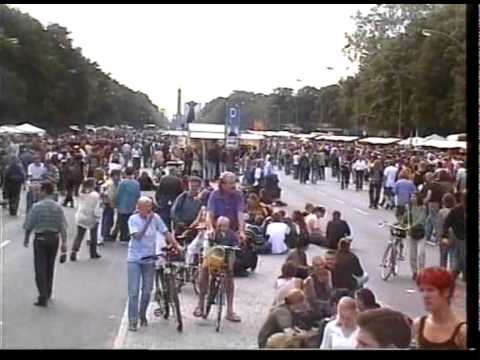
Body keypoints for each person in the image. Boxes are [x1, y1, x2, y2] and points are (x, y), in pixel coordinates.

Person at [127, 197, 180, 331]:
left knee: (147, 291)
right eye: (146, 207)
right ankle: (133, 320)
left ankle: (142, 314)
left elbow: (165, 232)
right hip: (134, 259)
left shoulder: (155, 217)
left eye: (151, 206)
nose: (150, 210)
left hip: (149, 259)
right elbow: (137, 237)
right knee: (134, 291)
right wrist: (147, 222)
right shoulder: (133, 219)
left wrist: (176, 245)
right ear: (139, 208)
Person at [23, 181, 68, 307]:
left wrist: (26, 238)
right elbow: (62, 226)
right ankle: (48, 292)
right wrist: (64, 243)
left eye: (39, 190)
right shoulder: (58, 207)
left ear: (44, 191)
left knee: (40, 267)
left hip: (40, 238)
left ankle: (42, 294)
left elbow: (29, 225)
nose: (37, 193)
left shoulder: (37, 207)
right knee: (50, 266)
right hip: (54, 238)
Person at [194, 216, 242, 322]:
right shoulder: (213, 233)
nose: (223, 227)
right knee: (205, 269)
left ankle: (230, 311)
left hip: (226, 256)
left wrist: (237, 244)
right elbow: (210, 241)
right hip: (214, 256)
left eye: (225, 225)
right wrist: (210, 242)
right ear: (218, 225)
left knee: (229, 275)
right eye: (221, 225)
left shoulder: (231, 234)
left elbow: (236, 242)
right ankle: (200, 305)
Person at [413, 267, 466, 349]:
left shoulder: (462, 331)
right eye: (422, 290)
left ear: (446, 292)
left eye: (430, 290)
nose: (425, 296)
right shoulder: (419, 325)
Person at [70, 178, 102, 261]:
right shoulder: (95, 195)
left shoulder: (81, 193)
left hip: (80, 215)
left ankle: (74, 251)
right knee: (93, 235)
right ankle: (93, 252)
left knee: (79, 235)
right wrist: (98, 216)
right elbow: (96, 208)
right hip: (91, 216)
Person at [441, 191, 465, 281]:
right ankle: (454, 273)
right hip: (459, 236)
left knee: (454, 256)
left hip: (456, 235)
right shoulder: (456, 210)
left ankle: (451, 273)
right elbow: (446, 223)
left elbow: (444, 224)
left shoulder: (453, 210)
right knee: (458, 256)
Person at [304, 256, 334, 320]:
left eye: (321, 265)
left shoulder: (328, 273)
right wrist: (326, 303)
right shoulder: (309, 280)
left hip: (328, 301)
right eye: (317, 265)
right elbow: (312, 299)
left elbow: (330, 290)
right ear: (313, 267)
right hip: (317, 305)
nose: (320, 267)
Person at [116, 167, 141, 244]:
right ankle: (129, 236)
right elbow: (138, 195)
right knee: (130, 221)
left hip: (122, 205)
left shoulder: (122, 183)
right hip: (132, 205)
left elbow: (118, 194)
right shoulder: (136, 183)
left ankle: (123, 237)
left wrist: (117, 203)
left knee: (122, 221)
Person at [155, 166, 184, 231]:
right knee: (175, 217)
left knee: (165, 218)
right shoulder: (178, 180)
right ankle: (174, 232)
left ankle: (167, 232)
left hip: (164, 201)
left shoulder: (163, 179)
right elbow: (180, 191)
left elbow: (159, 190)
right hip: (174, 200)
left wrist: (158, 200)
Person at [408, 192, 427, 281]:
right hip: (412, 233)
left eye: (414, 197)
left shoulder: (423, 208)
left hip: (421, 233)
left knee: (421, 253)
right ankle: (414, 272)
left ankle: (422, 272)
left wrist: (413, 225)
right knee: (412, 254)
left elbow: (422, 219)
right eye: (411, 197)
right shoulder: (409, 207)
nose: (412, 198)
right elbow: (407, 218)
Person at [101, 169, 121, 242]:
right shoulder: (111, 184)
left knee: (107, 219)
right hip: (109, 203)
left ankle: (104, 233)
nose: (119, 177)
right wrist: (113, 204)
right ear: (114, 176)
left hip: (107, 203)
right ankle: (106, 234)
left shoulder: (109, 182)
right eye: (118, 175)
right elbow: (111, 195)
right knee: (108, 220)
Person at [437, 193, 456, 270]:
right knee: (453, 255)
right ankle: (452, 272)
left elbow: (440, 225)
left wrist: (439, 237)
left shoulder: (441, 212)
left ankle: (442, 271)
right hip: (454, 235)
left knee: (443, 256)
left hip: (444, 235)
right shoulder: (455, 210)